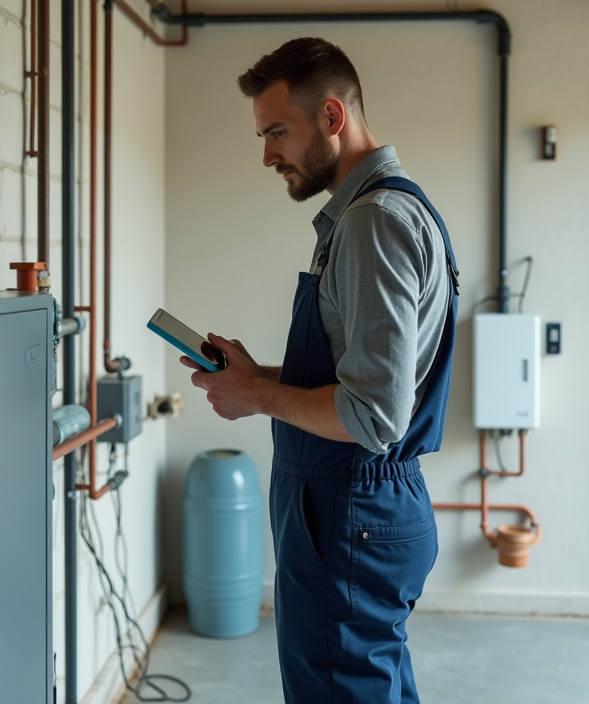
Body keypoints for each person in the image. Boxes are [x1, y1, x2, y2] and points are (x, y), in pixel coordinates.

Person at [181, 37, 459, 704]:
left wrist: (254, 394)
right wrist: (261, 375)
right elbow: (364, 373)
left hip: (351, 509)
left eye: (278, 131)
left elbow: (370, 415)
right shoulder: (380, 214)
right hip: (357, 509)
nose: (268, 153)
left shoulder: (373, 223)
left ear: (333, 117)